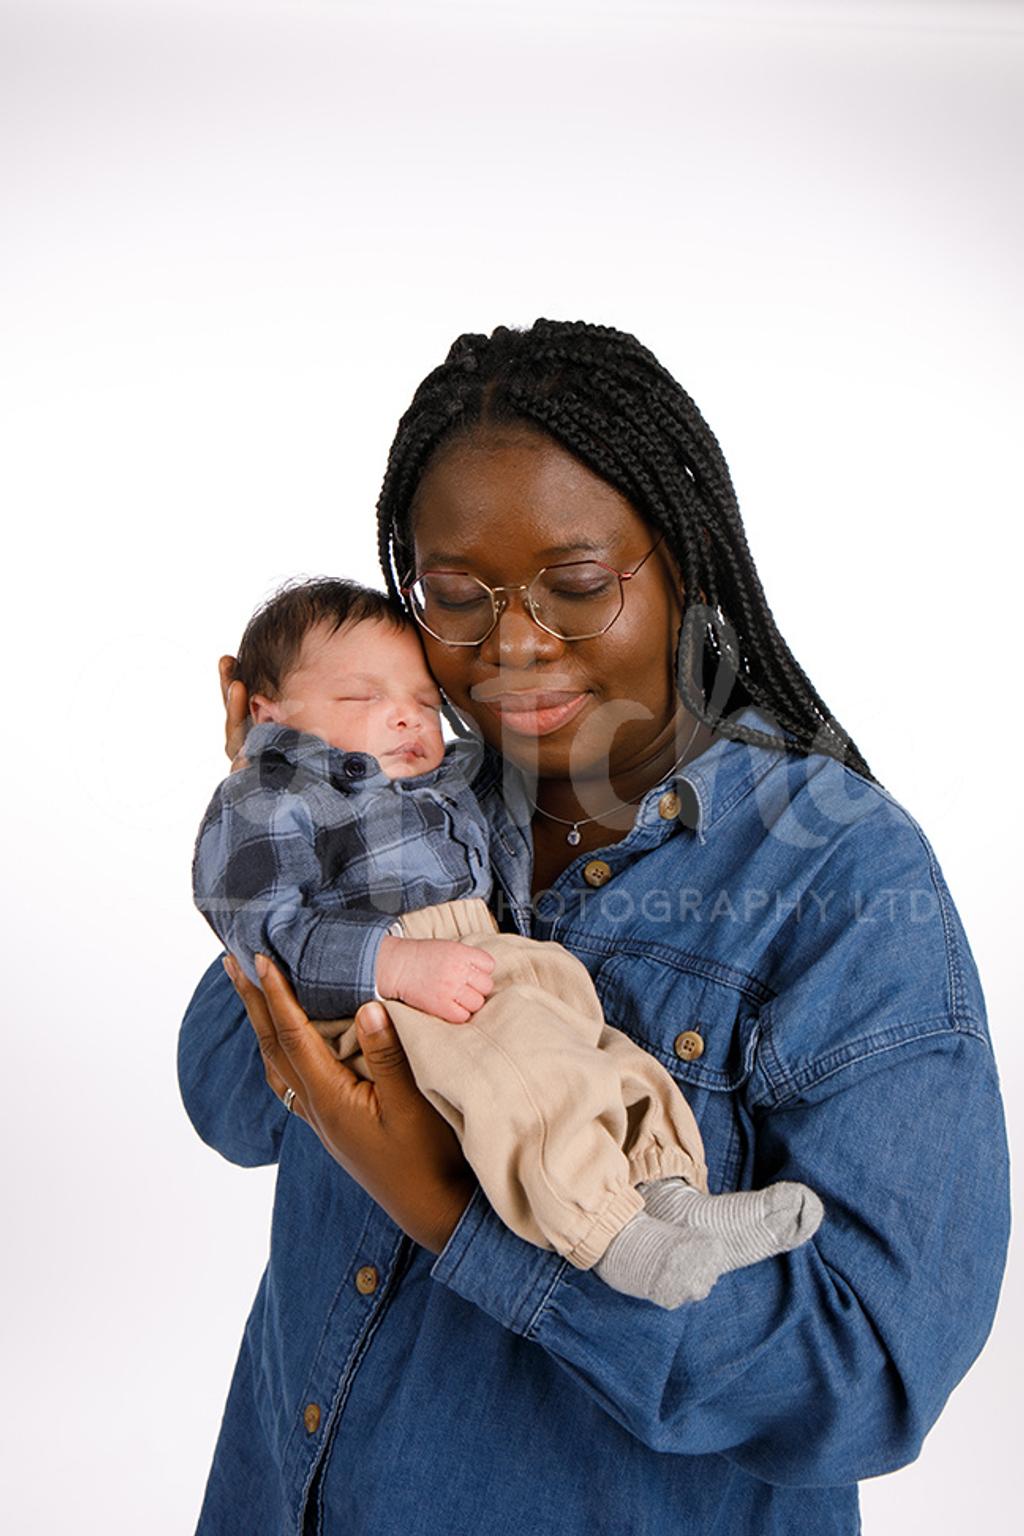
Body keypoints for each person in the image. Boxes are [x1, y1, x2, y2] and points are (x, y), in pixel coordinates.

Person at [178, 319, 1010, 1536]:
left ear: (682, 563)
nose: (512, 644)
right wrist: (280, 796)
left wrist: (454, 1209)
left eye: (576, 585)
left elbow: (870, 1377)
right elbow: (224, 1102)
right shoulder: (407, 799)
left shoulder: (838, 875)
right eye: (455, 598)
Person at [192, 575, 823, 1308]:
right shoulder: (268, 794)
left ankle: (667, 1188)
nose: (406, 719)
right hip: (382, 988)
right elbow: (263, 935)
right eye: (364, 699)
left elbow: (502, 774)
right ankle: (617, 1237)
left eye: (427, 704)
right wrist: (391, 964)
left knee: (599, 1052)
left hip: (479, 956)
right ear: (265, 713)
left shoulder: (446, 778)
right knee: (520, 1081)